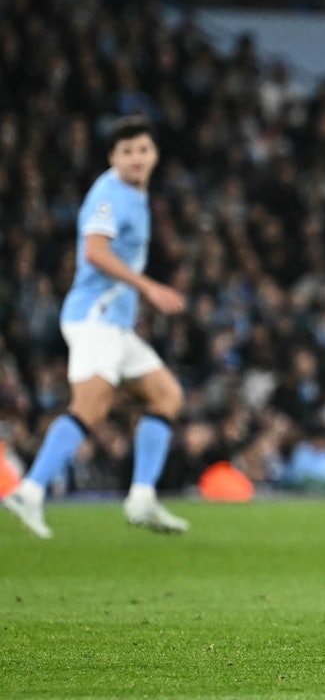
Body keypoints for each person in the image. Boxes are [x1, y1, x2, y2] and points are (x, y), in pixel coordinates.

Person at [3, 115, 189, 539]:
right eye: (127, 152)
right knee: (90, 406)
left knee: (166, 395)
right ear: (113, 157)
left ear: (154, 153)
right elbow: (94, 253)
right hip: (94, 319)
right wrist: (149, 289)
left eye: (143, 149)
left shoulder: (136, 194)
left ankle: (141, 497)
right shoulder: (109, 195)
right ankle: (30, 490)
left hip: (116, 326)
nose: (137, 158)